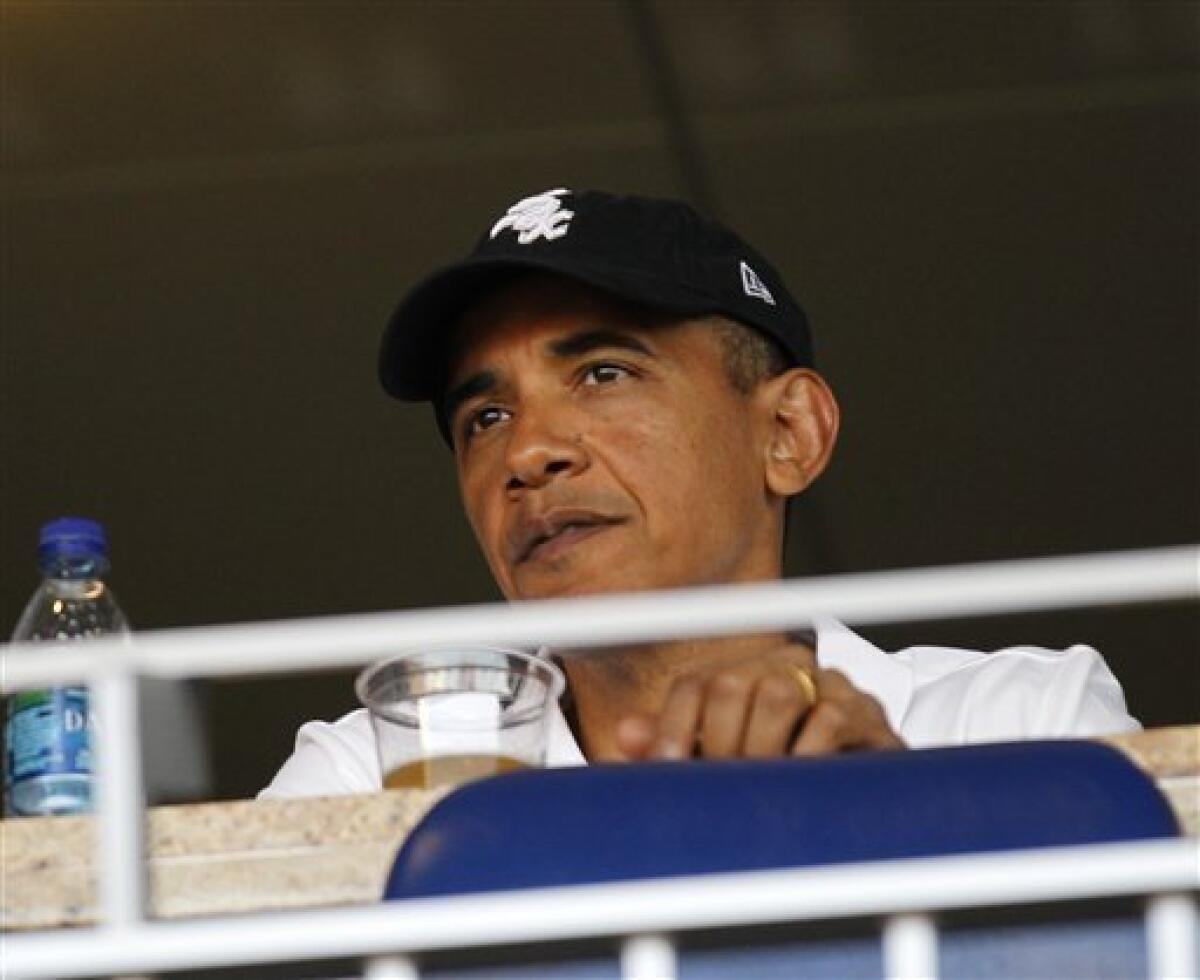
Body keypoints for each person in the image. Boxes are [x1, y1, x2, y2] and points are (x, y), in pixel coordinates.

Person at [260, 188, 1137, 798]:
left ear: (790, 434)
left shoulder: (1017, 722)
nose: (527, 452)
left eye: (604, 373)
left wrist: (892, 808)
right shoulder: (378, 767)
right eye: (484, 417)